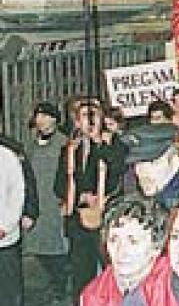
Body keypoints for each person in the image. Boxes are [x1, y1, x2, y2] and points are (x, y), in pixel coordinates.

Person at [54, 98, 126, 299]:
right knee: (81, 274)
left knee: (111, 270)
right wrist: (78, 196)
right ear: (77, 122)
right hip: (79, 220)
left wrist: (99, 143)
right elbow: (59, 184)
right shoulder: (70, 150)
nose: (90, 122)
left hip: (106, 219)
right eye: (85, 116)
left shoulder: (112, 144)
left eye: (95, 116)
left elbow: (117, 168)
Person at [79, 195, 168, 305]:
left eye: (133, 241)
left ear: (156, 247)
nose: (121, 251)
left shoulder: (174, 287)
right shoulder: (93, 296)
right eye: (114, 240)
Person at [25, 102, 69, 302]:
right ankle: (55, 282)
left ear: (55, 119)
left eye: (45, 116)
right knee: (38, 247)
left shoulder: (64, 143)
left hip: (55, 202)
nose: (40, 120)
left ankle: (61, 286)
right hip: (37, 202)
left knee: (57, 246)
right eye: (38, 116)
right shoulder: (31, 145)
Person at [122, 123, 179, 209]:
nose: (144, 174)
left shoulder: (176, 162)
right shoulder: (132, 201)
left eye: (153, 163)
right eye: (139, 164)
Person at [0, 137, 25, 306]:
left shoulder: (7, 157)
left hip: (5, 240)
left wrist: (4, 227)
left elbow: (17, 195)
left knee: (8, 292)